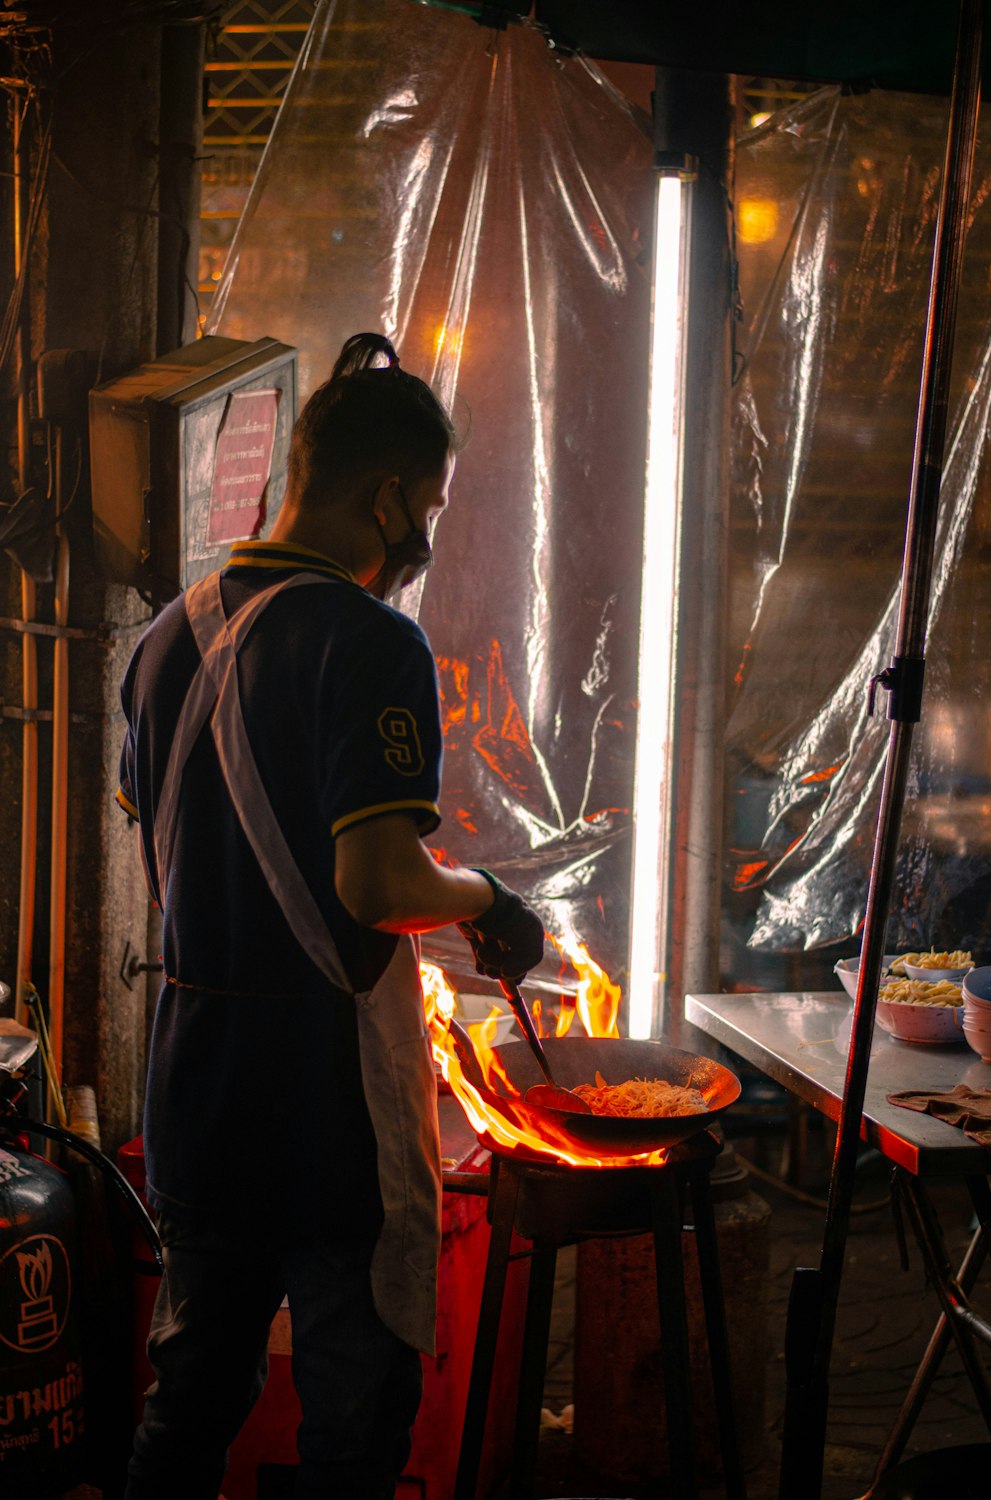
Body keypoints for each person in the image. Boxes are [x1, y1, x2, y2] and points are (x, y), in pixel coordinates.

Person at [116, 331, 545, 1500]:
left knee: (193, 1395)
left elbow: (164, 827)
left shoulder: (164, 636)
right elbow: (379, 886)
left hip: (194, 1078)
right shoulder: (368, 642)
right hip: (321, 1100)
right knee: (355, 1421)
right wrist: (491, 901)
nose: (425, 537)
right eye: (432, 507)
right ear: (388, 494)